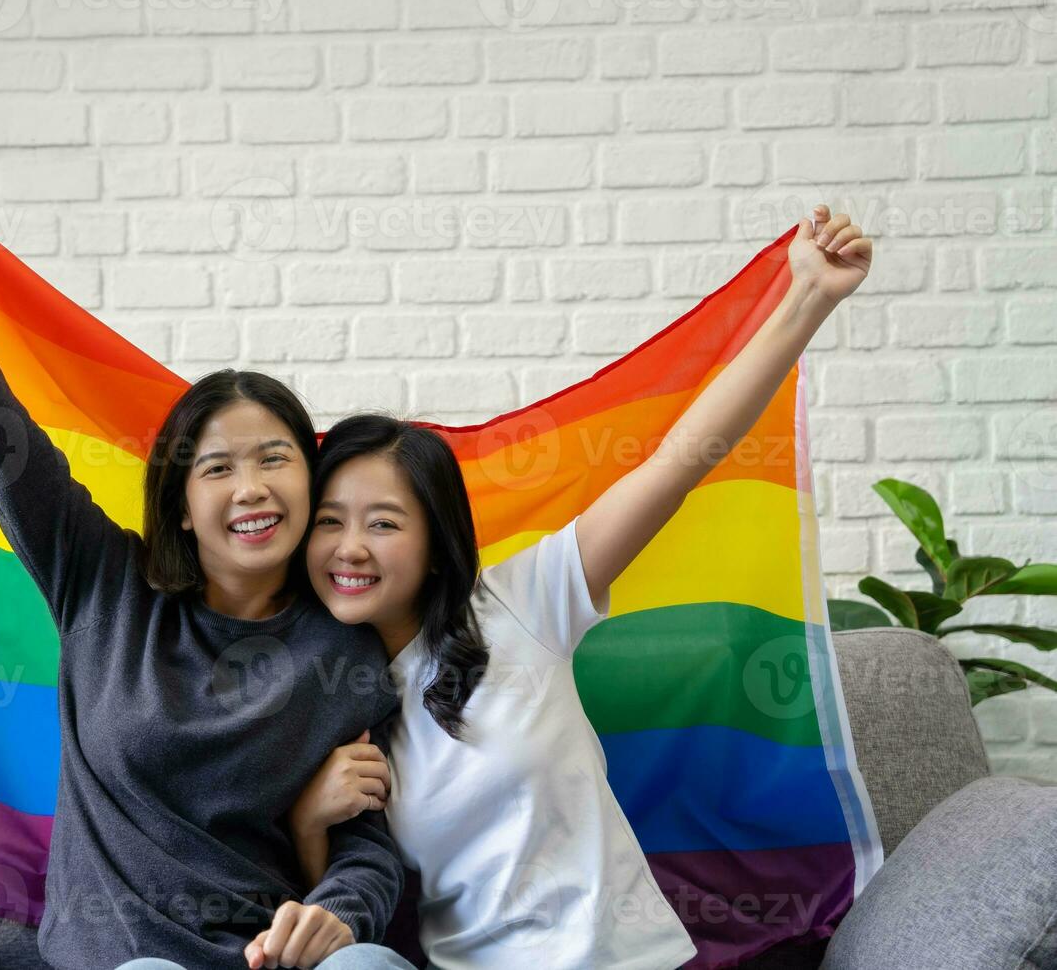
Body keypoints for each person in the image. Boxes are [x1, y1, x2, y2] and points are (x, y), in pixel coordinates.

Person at [0, 123, 420, 970]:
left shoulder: (342, 645)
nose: (251, 488)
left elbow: (369, 847)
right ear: (182, 501)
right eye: (219, 469)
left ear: (311, 486)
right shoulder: (104, 584)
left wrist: (342, 914)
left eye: (276, 459)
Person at [288, 206, 872, 968]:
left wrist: (809, 301)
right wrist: (307, 822)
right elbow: (341, 925)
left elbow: (680, 461)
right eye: (329, 522)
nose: (350, 548)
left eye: (385, 524)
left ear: (437, 546)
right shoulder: (319, 703)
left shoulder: (519, 605)